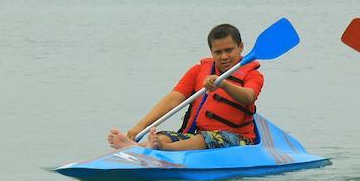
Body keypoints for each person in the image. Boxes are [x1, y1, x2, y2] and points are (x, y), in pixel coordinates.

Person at [108, 23, 264, 151]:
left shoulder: (253, 75)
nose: (224, 57)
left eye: (229, 50)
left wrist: (222, 84)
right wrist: (140, 126)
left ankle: (161, 148)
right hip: (199, 136)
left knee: (204, 139)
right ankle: (137, 147)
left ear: (241, 47)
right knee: (163, 136)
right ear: (211, 52)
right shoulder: (199, 71)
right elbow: (173, 100)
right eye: (218, 52)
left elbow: (248, 96)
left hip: (239, 140)